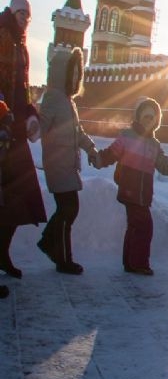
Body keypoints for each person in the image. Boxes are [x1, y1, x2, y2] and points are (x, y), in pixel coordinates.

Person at [95, 98, 168, 274]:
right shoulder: (127, 136)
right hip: (130, 189)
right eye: (145, 117)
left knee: (135, 226)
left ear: (156, 121)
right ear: (138, 118)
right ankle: (138, 264)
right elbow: (112, 152)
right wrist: (99, 159)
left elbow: (163, 163)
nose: (148, 121)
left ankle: (130, 263)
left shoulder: (154, 144)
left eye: (152, 118)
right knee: (144, 226)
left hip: (144, 192)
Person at [37, 46, 99, 274]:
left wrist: (90, 148)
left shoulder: (68, 101)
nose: (75, 79)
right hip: (57, 163)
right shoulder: (52, 97)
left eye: (77, 75)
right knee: (68, 208)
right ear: (60, 73)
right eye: (71, 74)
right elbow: (40, 126)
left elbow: (77, 131)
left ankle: (48, 242)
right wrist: (31, 125)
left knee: (69, 208)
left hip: (67, 164)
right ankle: (62, 258)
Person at [0, 0, 45, 278]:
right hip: (2, 128)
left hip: (15, 132)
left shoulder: (22, 46)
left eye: (28, 16)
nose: (25, 20)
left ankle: (2, 253)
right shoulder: (2, 37)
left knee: (19, 200)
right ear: (12, 12)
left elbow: (23, 90)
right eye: (22, 14)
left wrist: (30, 114)